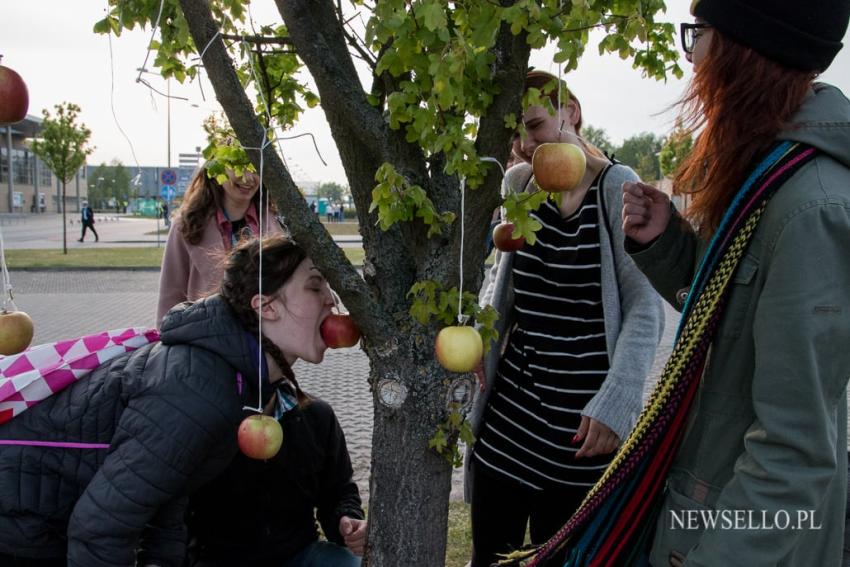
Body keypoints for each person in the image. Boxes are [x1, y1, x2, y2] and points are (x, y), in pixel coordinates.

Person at [621, 1, 850, 565]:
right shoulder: (771, 172)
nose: (692, 55)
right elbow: (734, 315)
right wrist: (671, 247)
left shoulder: (810, 206)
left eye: (699, 34)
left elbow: (793, 454)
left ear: (743, 50)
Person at [0, 233, 337, 566]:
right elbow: (100, 530)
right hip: (22, 520)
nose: (332, 300)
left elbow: (168, 490)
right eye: (315, 286)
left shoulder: (231, 375)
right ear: (266, 307)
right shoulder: (199, 389)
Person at [464, 69, 664, 567]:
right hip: (512, 417)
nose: (524, 144)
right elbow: (502, 285)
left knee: (563, 558)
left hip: (583, 427)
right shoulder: (518, 183)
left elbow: (646, 305)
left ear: (569, 111)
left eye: (533, 126)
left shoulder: (617, 185)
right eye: (513, 134)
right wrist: (480, 339)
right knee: (491, 555)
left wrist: (619, 399)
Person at [157, 165, 278, 325]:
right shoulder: (187, 224)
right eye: (238, 167)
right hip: (204, 338)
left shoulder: (275, 223)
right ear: (217, 168)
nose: (248, 178)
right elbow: (171, 291)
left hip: (265, 340)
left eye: (255, 169)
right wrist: (164, 335)